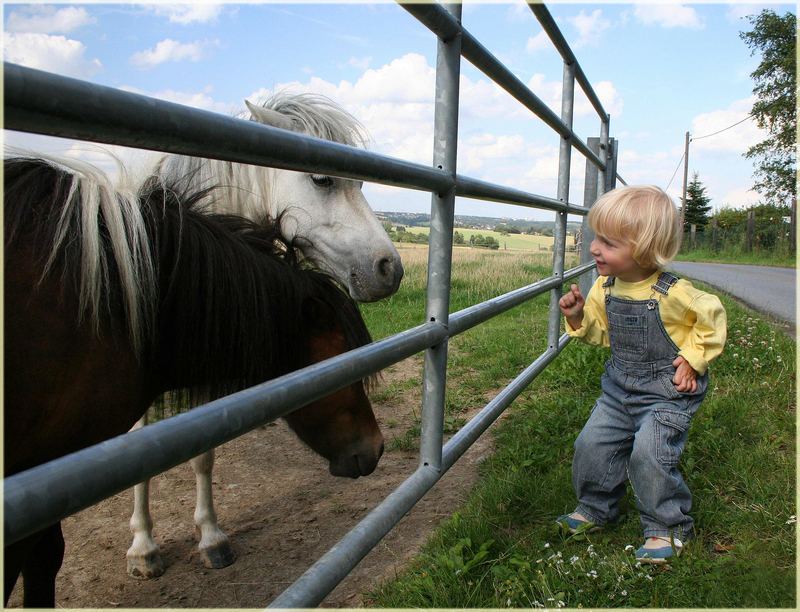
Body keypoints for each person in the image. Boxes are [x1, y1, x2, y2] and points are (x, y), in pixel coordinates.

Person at [557, 184, 726, 564]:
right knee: (591, 445)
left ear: (646, 250)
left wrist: (693, 358)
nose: (595, 248)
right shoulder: (605, 286)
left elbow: (712, 318)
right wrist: (578, 317)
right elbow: (603, 335)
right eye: (596, 237)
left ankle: (667, 527)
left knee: (649, 454)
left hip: (667, 393)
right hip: (619, 390)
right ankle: (595, 509)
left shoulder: (673, 292)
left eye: (609, 243)